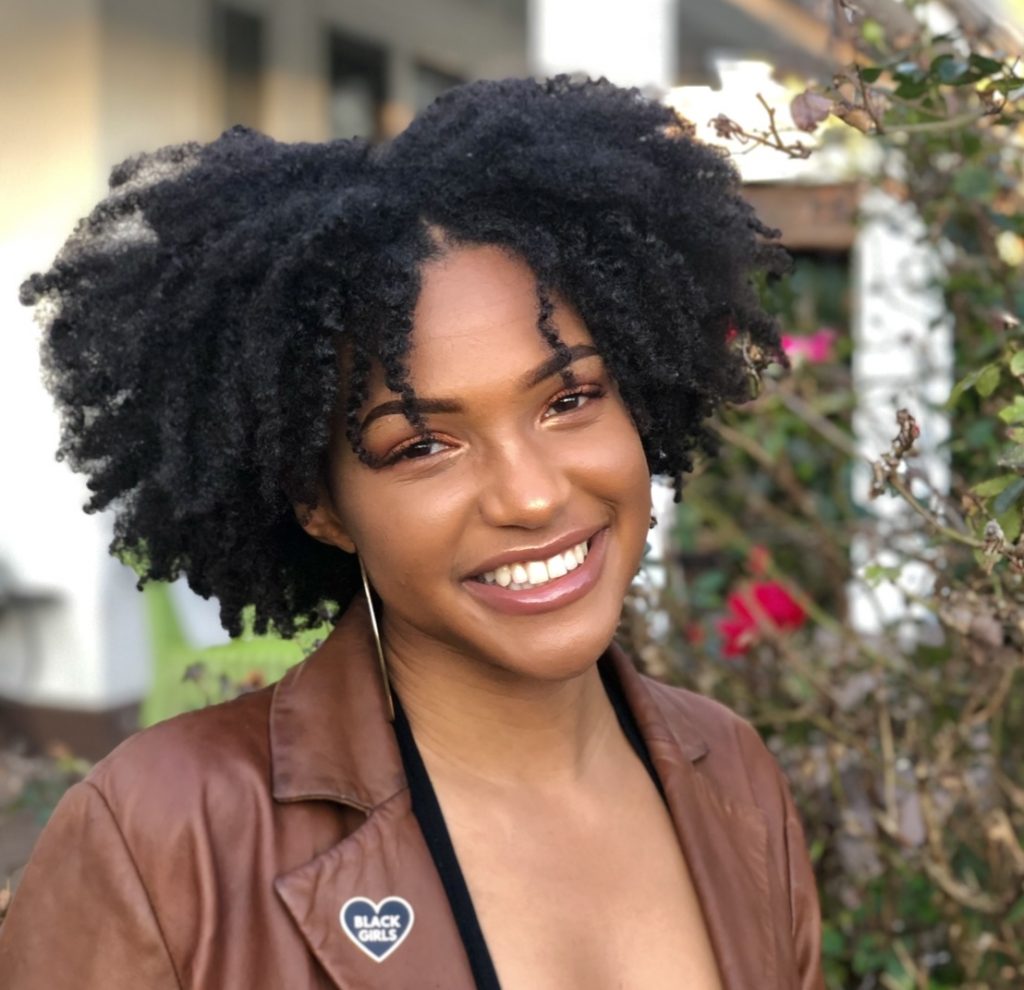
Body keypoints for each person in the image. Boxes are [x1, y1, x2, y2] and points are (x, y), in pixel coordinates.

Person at [0, 76, 823, 989]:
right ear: (320, 505)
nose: (532, 496)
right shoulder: (160, 842)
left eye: (570, 398)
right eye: (423, 443)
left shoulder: (736, 779)